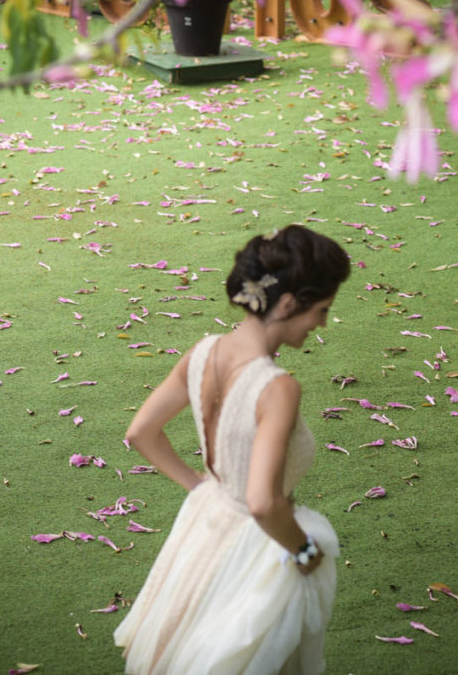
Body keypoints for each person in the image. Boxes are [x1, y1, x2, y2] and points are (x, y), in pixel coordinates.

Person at [114, 224, 351, 675]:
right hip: (257, 553)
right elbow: (263, 502)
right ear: (287, 303)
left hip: (204, 527)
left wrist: (201, 488)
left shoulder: (203, 352)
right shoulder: (277, 388)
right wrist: (304, 552)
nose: (322, 323)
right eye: (321, 310)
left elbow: (142, 432)